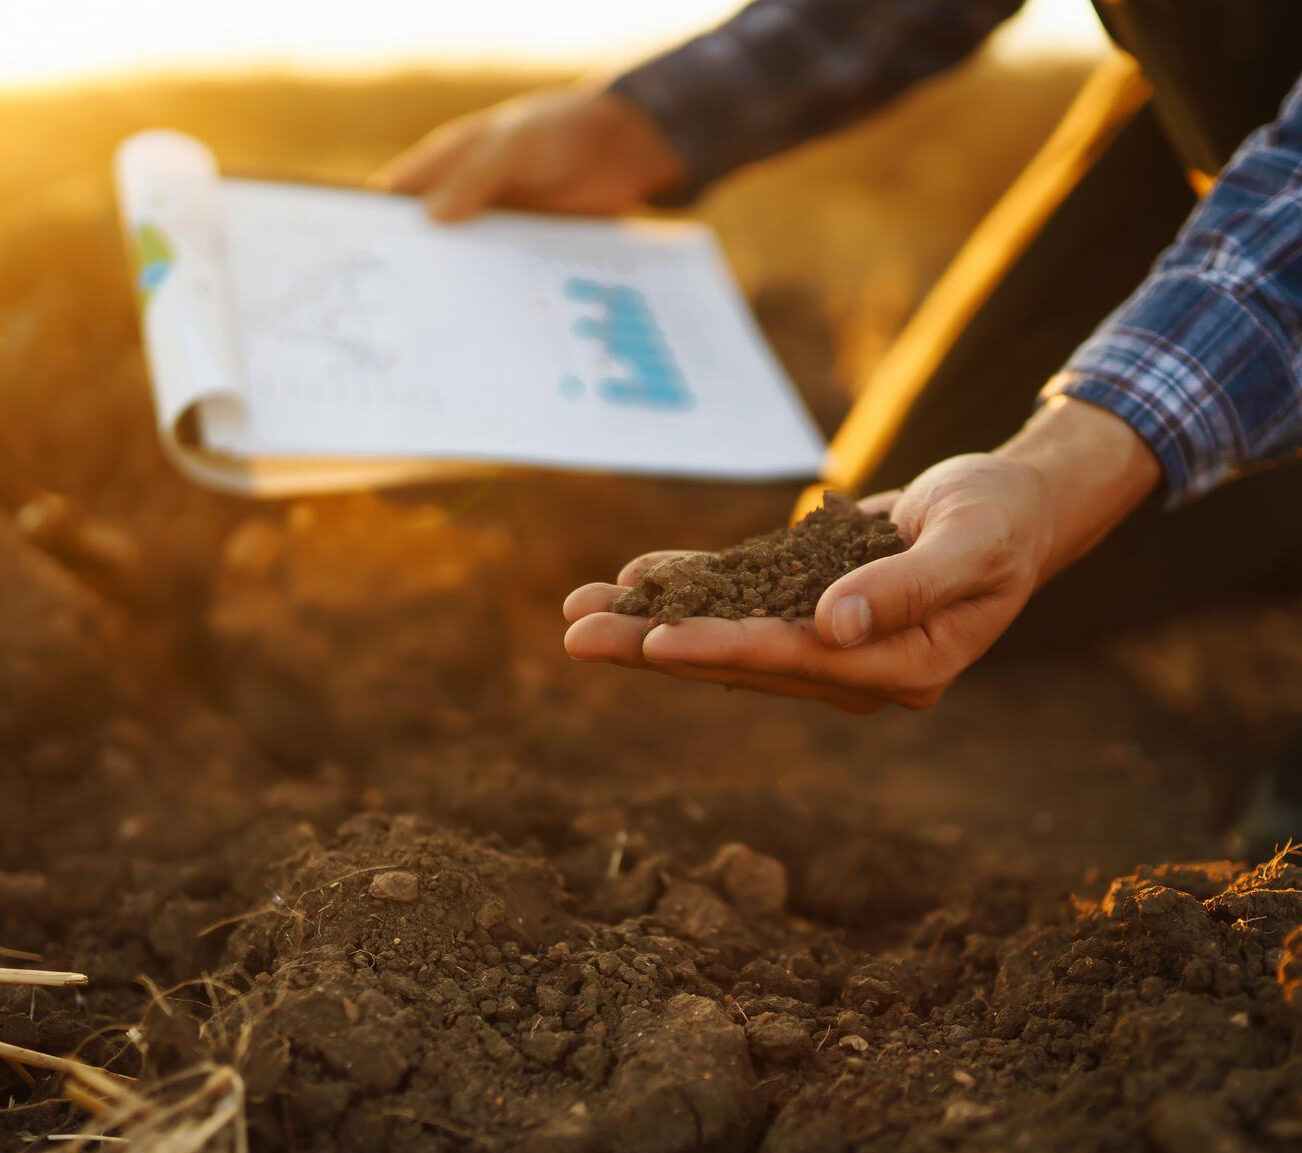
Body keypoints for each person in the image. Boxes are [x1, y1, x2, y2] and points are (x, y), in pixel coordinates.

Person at [375, 0, 1302, 719]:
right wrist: (634, 125)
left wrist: (1068, 462)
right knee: (918, 559)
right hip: (1227, 120)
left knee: (1034, 511)